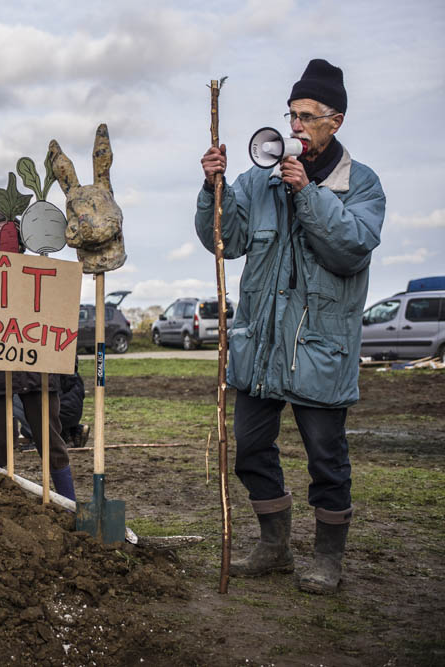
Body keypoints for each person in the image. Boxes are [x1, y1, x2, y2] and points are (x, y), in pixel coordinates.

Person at [196, 59, 385, 594]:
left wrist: (307, 194)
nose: (295, 126)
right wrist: (214, 188)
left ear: (335, 121)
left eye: (306, 116)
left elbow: (350, 249)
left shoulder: (362, 184)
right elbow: (224, 240)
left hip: (319, 350)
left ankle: (327, 558)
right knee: (251, 448)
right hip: (260, 346)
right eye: (291, 114)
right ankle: (273, 545)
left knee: (326, 459)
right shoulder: (261, 178)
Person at [0, 211, 77, 503]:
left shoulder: (41, 277)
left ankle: (69, 505)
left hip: (38, 368)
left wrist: (66, 368)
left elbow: (60, 323)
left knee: (50, 441)